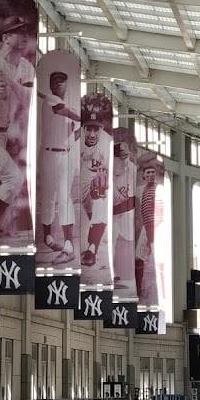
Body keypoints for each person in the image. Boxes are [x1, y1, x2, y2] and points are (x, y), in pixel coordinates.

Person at [0, 15, 35, 244]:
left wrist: (11, 83)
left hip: (3, 134)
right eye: (17, 31)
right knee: (13, 178)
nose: (23, 36)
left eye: (25, 31)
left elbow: (27, 100)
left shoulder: (25, 67)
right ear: (5, 37)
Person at [37, 69, 80, 265]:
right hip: (48, 154)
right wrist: (83, 118)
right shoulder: (51, 101)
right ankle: (48, 238)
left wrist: (82, 127)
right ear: (51, 85)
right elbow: (68, 112)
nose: (59, 85)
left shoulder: (64, 106)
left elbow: (74, 133)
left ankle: (69, 244)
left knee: (64, 198)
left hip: (64, 154)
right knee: (48, 197)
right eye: (56, 82)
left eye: (62, 82)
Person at [79, 94, 112, 276]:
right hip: (82, 178)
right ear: (84, 128)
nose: (92, 133)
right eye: (88, 129)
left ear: (101, 129)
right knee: (88, 211)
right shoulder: (76, 139)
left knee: (100, 200)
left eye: (96, 129)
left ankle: (92, 250)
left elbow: (110, 169)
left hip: (99, 177)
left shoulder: (107, 142)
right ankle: (95, 233)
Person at [112, 130, 138, 300]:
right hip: (111, 214)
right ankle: (112, 275)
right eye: (120, 156)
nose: (124, 159)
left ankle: (125, 276)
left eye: (126, 156)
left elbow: (136, 196)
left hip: (126, 213)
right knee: (111, 242)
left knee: (130, 245)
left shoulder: (132, 169)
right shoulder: (109, 167)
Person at [135, 152, 161, 304]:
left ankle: (146, 290)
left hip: (154, 227)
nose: (151, 175)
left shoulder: (158, 189)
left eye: (153, 173)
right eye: (148, 173)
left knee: (150, 259)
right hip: (146, 227)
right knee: (139, 257)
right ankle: (139, 287)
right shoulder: (141, 189)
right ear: (144, 175)